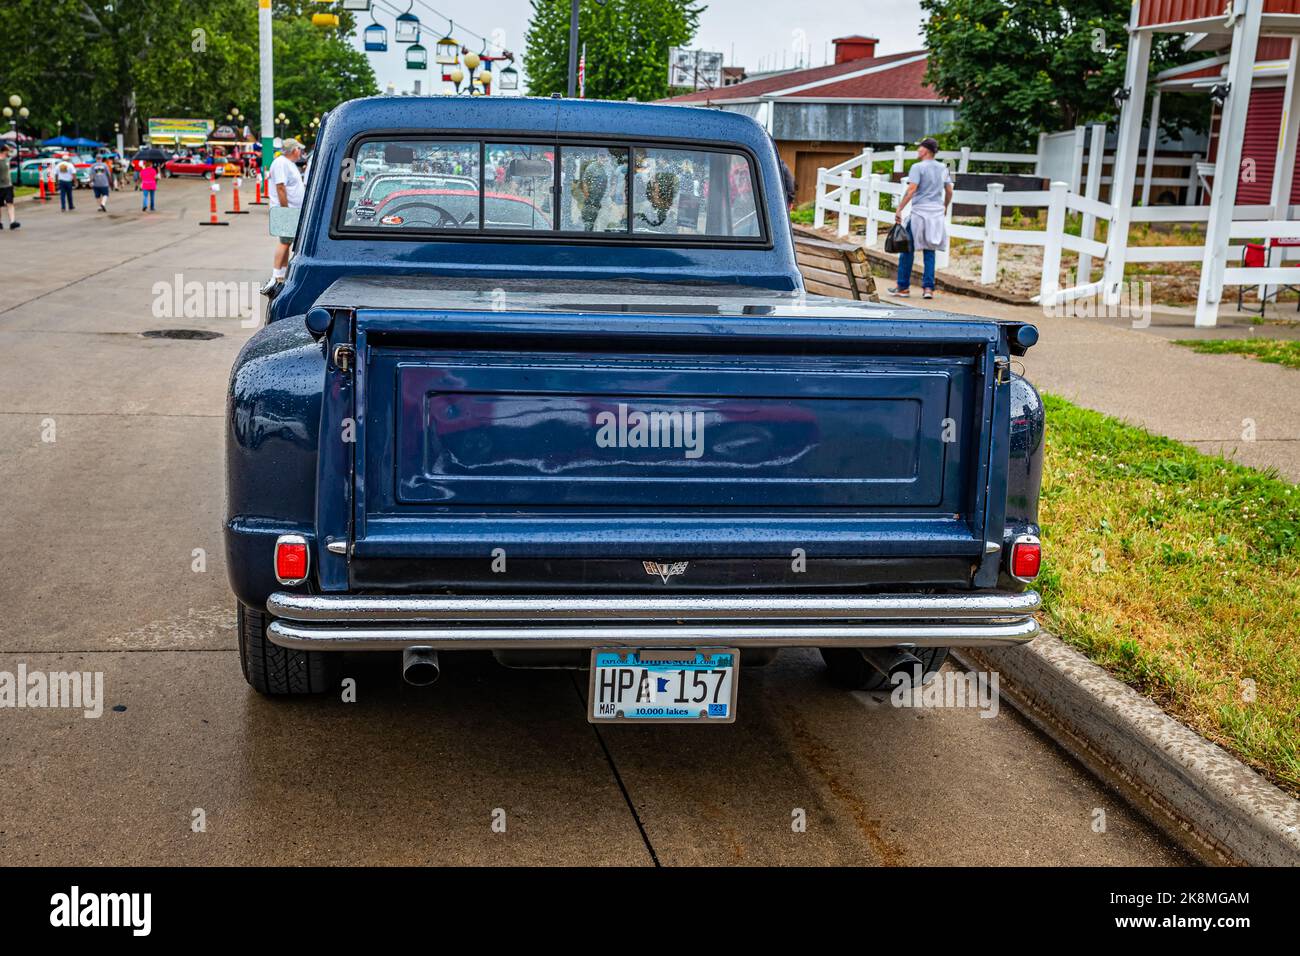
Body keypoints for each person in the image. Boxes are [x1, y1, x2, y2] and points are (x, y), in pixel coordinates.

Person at [889, 137, 953, 300]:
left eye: (920, 148)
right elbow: (949, 191)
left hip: (919, 213)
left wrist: (899, 208)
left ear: (926, 150)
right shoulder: (944, 168)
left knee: (907, 249)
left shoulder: (917, 167)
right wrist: (944, 206)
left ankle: (903, 287)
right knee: (930, 250)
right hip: (936, 214)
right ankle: (928, 289)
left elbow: (911, 190)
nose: (918, 151)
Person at [261, 138, 305, 298]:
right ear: (293, 150)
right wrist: (286, 210)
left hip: (292, 209)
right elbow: (280, 187)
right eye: (299, 149)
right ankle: (275, 275)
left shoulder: (288, 163)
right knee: (285, 242)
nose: (300, 152)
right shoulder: (281, 163)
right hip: (285, 209)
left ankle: (282, 273)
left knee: (288, 242)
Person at [0, 143, 19, 230]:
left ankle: (12, 222)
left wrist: (11, 184)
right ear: (4, 151)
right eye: (8, 150)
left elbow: (8, 173)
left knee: (10, 203)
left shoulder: (7, 160)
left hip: (8, 186)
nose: (9, 152)